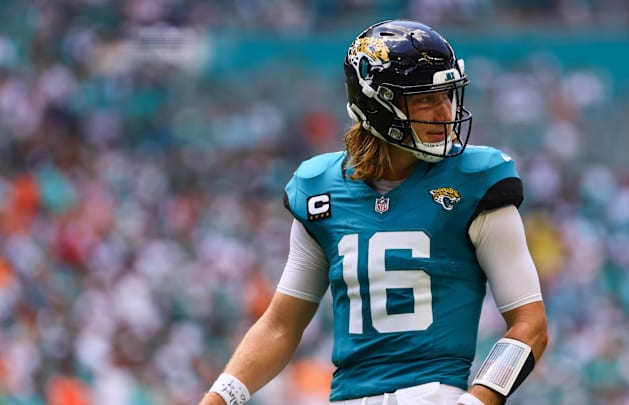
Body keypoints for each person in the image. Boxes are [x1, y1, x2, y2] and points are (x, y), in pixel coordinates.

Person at [199, 19, 548, 405]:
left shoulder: (476, 180)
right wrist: (219, 398)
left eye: (447, 95)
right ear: (378, 104)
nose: (444, 112)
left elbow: (529, 325)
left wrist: (477, 401)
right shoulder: (320, 188)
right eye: (425, 99)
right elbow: (281, 326)